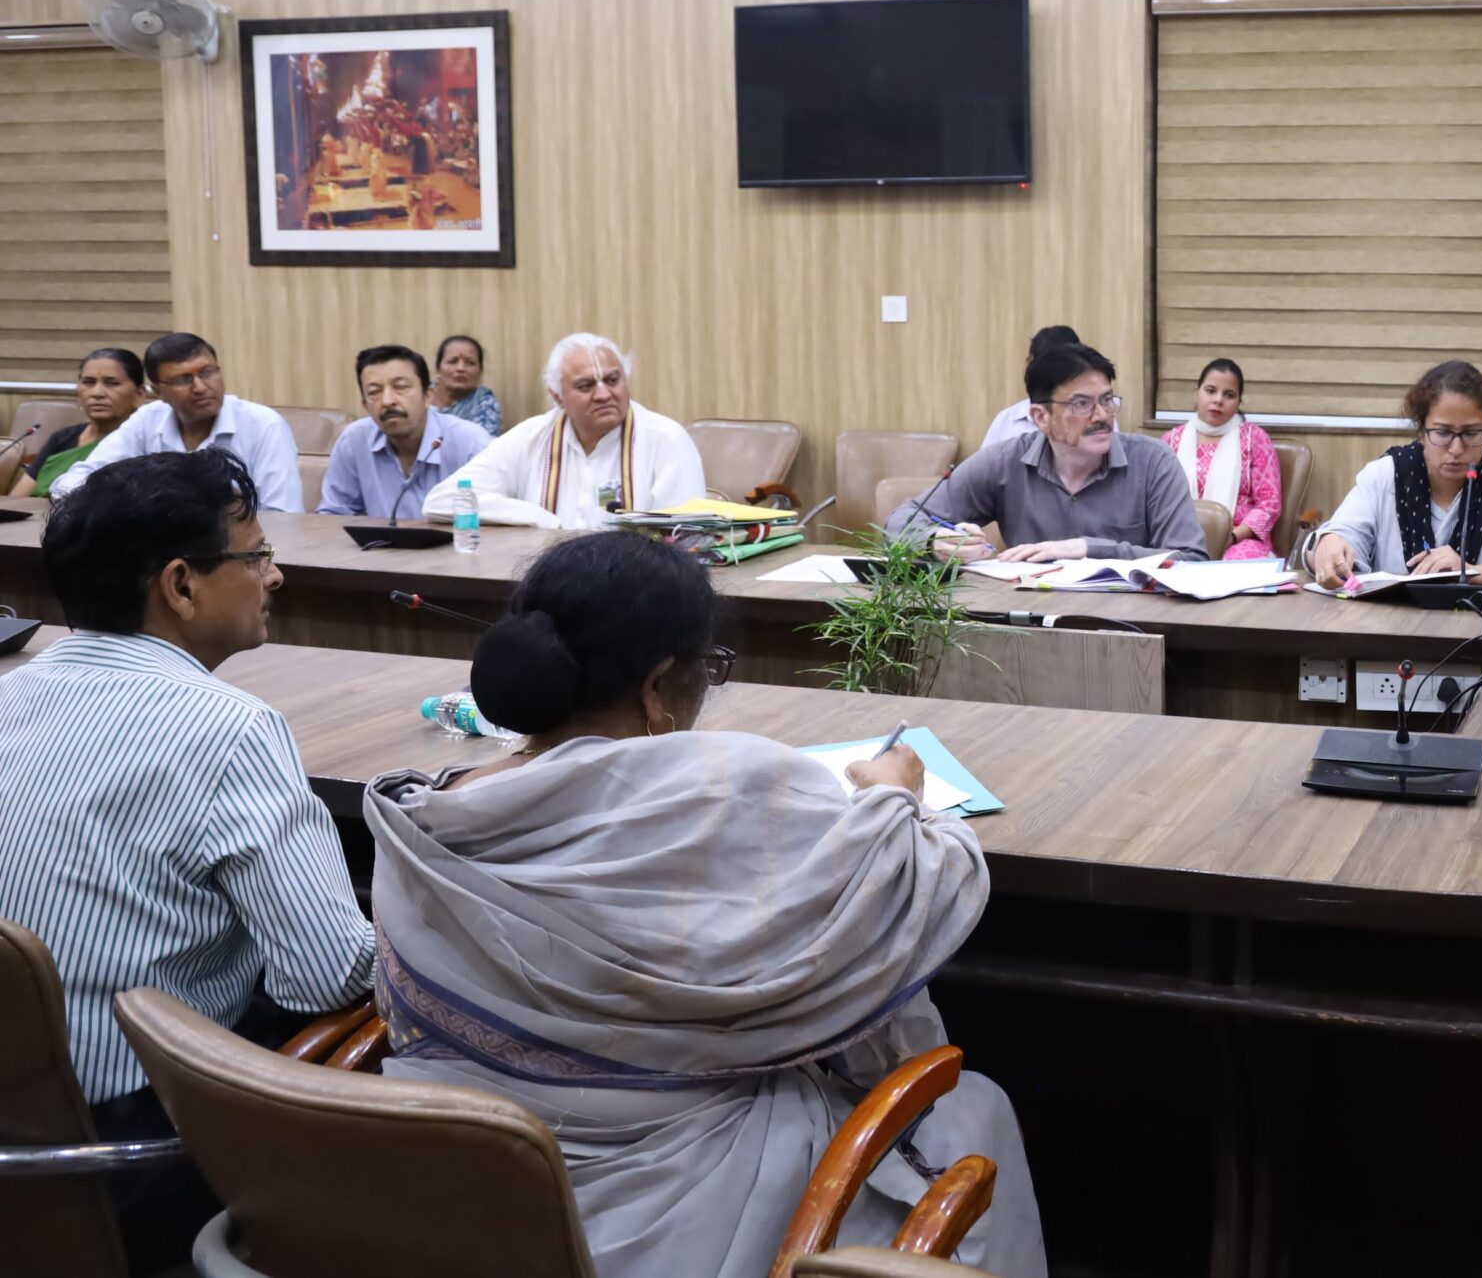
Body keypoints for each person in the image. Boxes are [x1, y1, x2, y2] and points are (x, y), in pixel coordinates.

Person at [363, 532, 1045, 1278]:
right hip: (677, 1199)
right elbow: (912, 894)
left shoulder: (428, 813)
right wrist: (892, 798)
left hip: (459, 1198)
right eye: (708, 668)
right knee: (973, 1110)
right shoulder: (727, 785)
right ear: (658, 686)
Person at [0, 452, 376, 1272]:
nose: (275, 575)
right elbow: (325, 979)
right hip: (128, 1160)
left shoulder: (8, 693)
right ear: (180, 584)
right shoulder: (229, 729)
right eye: (257, 554)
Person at [890, 342, 1206, 564]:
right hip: (1028, 621)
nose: (1101, 416)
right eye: (1081, 404)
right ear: (1041, 417)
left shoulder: (1153, 461)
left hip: (1130, 626)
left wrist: (1088, 549)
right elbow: (899, 523)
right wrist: (935, 542)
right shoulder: (1004, 462)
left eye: (1107, 400)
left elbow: (1190, 560)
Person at [1308, 360, 1482, 591]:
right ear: (1421, 431)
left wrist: (1469, 572)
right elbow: (1339, 539)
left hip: (1478, 630)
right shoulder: (1385, 474)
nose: (1456, 449)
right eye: (1443, 433)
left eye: (1471, 434)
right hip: (1389, 630)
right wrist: (1326, 546)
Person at [421, 333, 705, 530]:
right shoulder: (531, 436)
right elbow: (441, 501)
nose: (604, 394)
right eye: (586, 386)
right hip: (548, 587)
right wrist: (539, 518)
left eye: (612, 380)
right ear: (557, 396)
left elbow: (685, 534)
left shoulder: (665, 439)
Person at [46, 332, 304, 512]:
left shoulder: (263, 425)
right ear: (159, 391)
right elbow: (72, 482)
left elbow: (282, 514)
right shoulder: (148, 420)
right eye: (184, 380)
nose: (200, 387)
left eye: (208, 372)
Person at [317, 344, 494, 518]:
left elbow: (496, 518)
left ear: (428, 396)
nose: (387, 401)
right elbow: (334, 516)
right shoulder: (354, 441)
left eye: (400, 387)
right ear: (365, 406)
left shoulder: (470, 443)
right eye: (374, 392)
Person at [1161, 359, 1283, 560]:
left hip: (1240, 539)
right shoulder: (1170, 441)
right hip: (1180, 538)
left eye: (1229, 395)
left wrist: (1231, 537)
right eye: (1210, 391)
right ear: (1196, 394)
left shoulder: (1255, 440)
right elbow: (1157, 501)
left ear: (1239, 402)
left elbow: (1269, 504)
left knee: (1232, 567)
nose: (1218, 400)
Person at [7, 346, 145, 497]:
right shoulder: (62, 438)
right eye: (89, 382)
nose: (97, 393)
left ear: (139, 394)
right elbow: (17, 499)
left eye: (112, 383)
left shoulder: (141, 444)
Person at [978, 324, 1081, 455]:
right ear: (1028, 364)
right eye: (1047, 368)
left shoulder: (1094, 418)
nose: (1054, 377)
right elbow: (984, 467)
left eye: (1063, 368)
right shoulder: (1006, 421)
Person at [430, 332, 502, 434]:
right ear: (438, 368)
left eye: (470, 363)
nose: (461, 368)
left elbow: (484, 441)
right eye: (453, 361)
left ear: (480, 372)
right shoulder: (419, 394)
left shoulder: (484, 403)